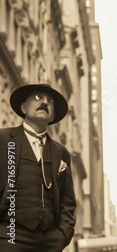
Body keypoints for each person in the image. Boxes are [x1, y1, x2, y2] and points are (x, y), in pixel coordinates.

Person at [0, 84, 76, 251]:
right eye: (37, 98)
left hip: (49, 240)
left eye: (50, 101)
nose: (44, 102)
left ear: (53, 115)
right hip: (9, 236)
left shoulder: (61, 152)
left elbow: (68, 203)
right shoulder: (4, 140)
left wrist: (62, 235)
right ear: (24, 107)